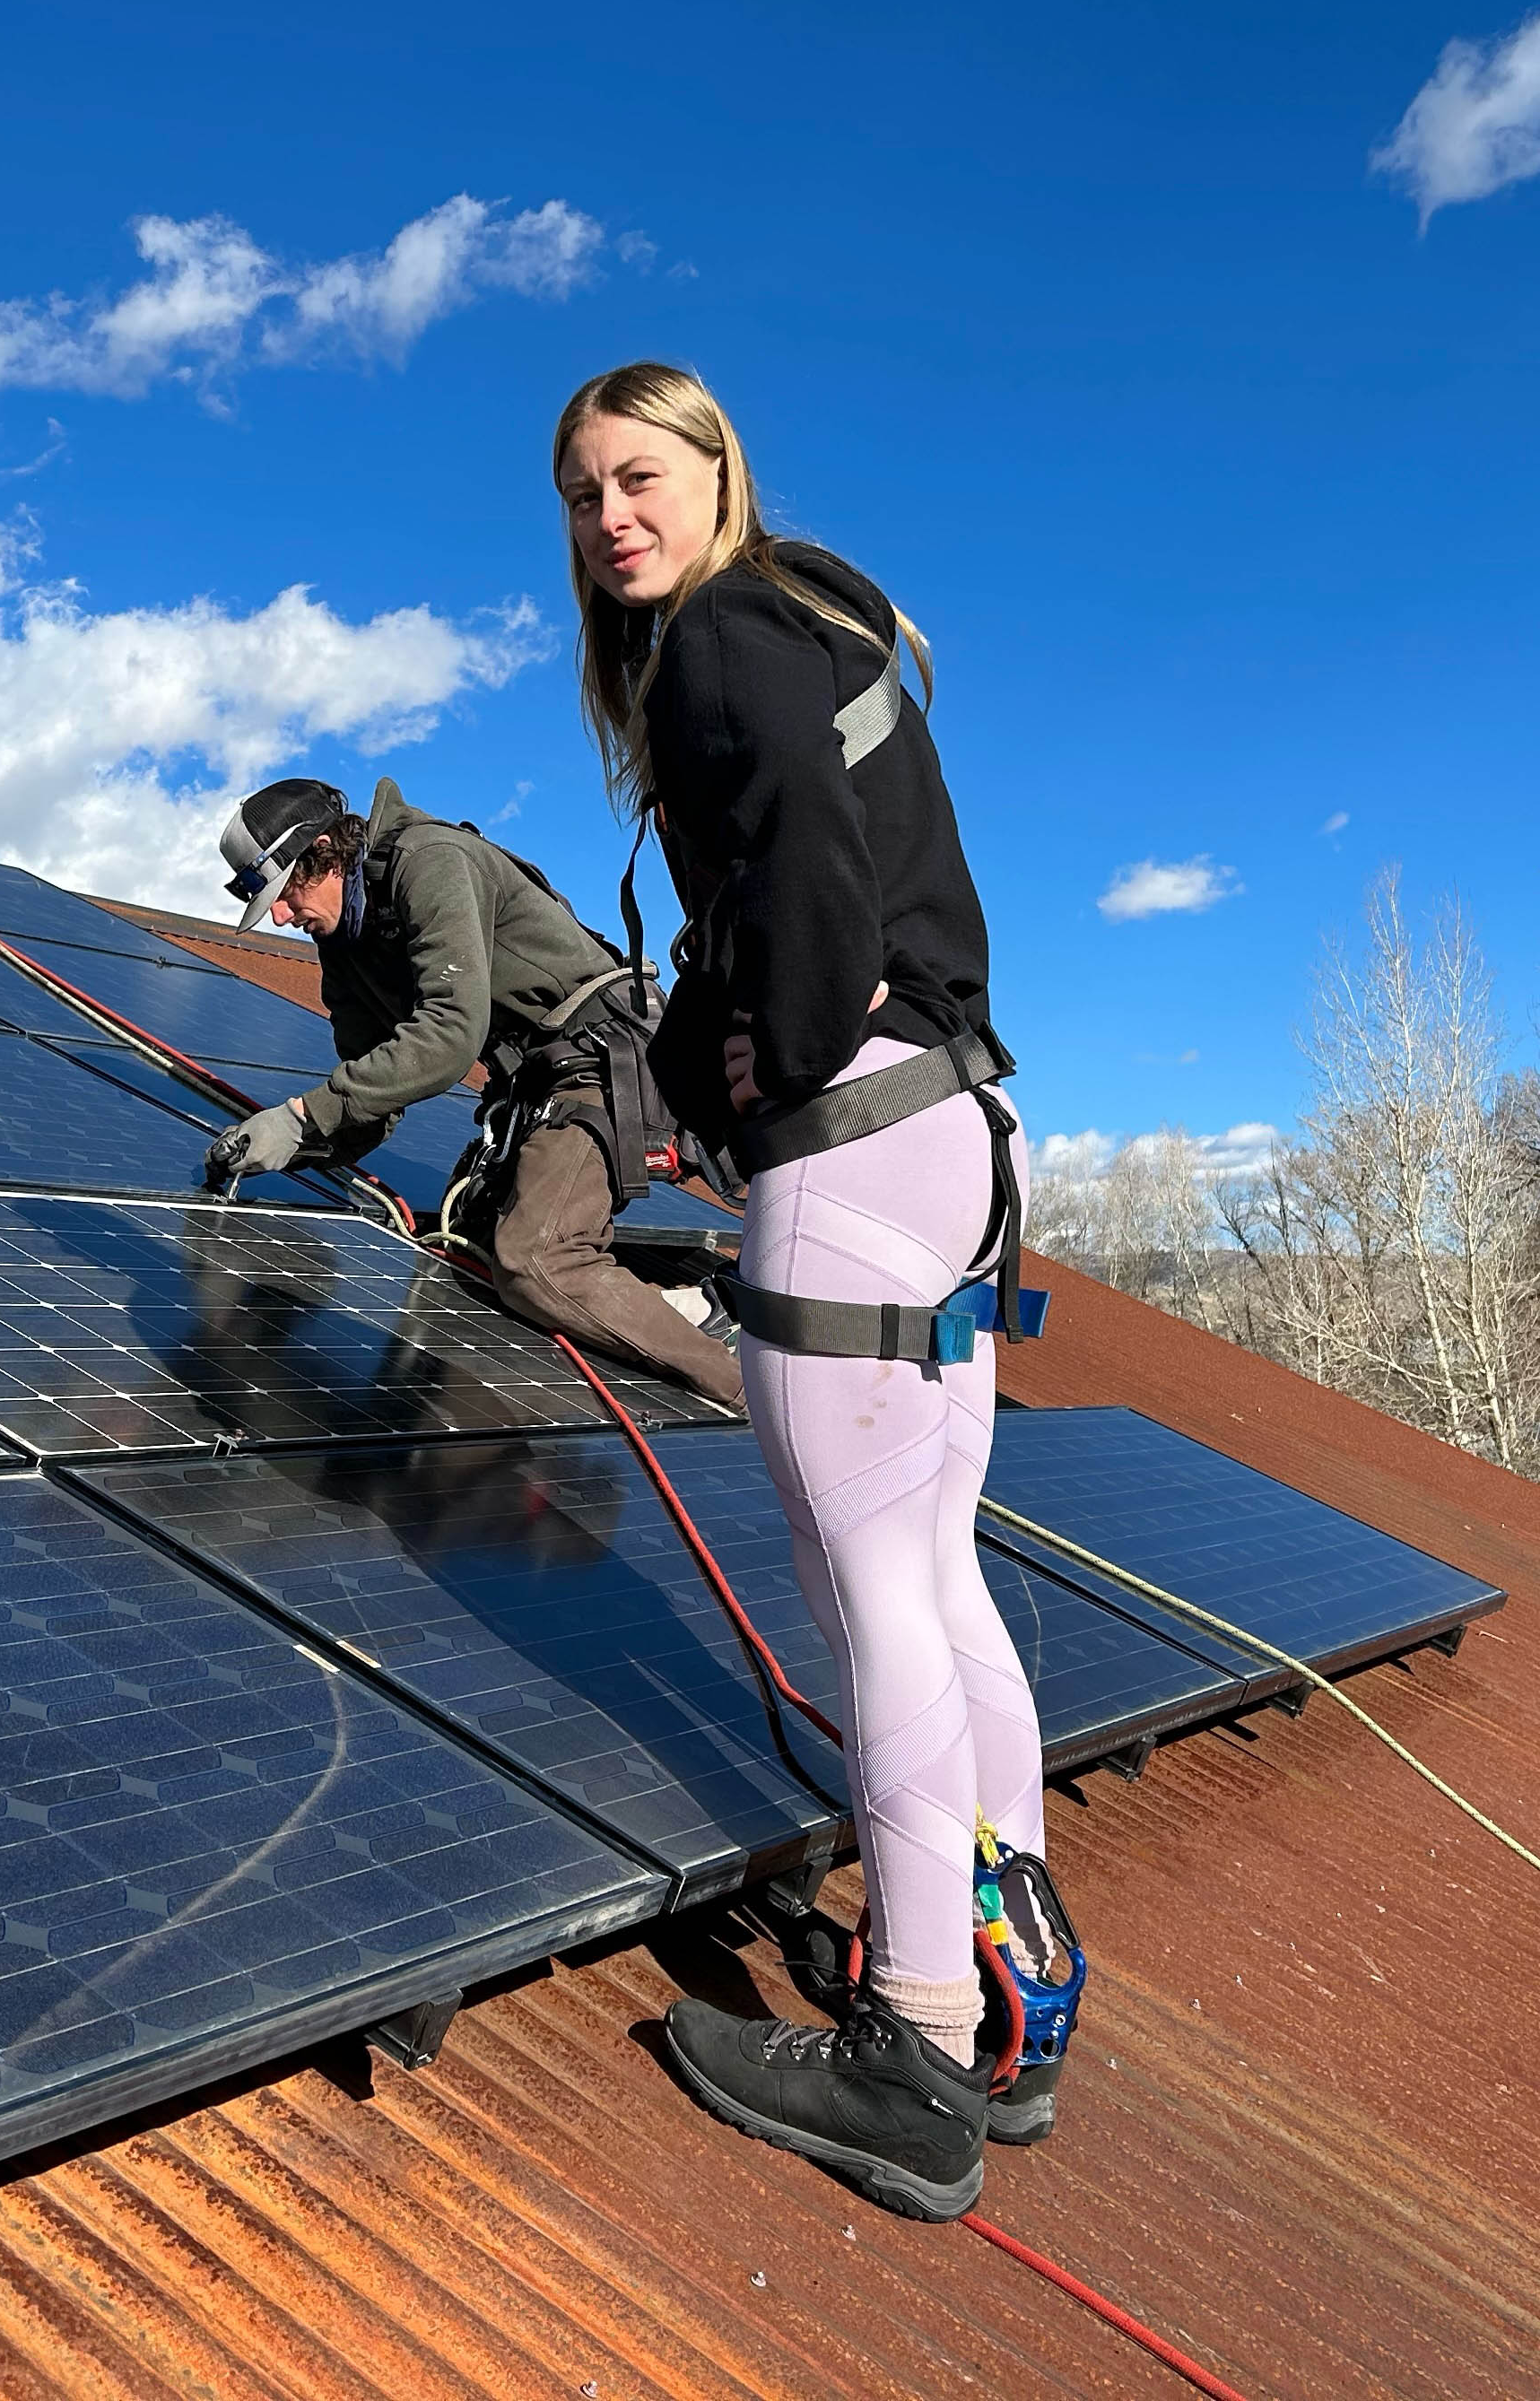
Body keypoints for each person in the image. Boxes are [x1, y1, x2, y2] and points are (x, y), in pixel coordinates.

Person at [554, 360, 1084, 2224]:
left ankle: (915, 2049)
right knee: (938, 1580)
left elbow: (803, 857)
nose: (614, 517)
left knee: (869, 1597)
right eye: (586, 495)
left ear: (718, 471)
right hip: (959, 1138)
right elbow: (866, 875)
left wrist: (757, 1067)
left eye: (642, 476)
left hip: (855, 1152)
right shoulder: (816, 622)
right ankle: (1012, 1991)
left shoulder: (721, 638)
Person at [204, 774, 744, 1409]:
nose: (280, 916)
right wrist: (286, 1147)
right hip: (531, 1089)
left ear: (327, 852)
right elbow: (374, 1089)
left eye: (286, 891)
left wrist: (300, 1117)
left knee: (536, 1258)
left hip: (605, 1062)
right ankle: (679, 1311)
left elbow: (449, 1035)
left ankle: (746, 1384)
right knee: (464, 1244)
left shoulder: (430, 862)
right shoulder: (346, 949)